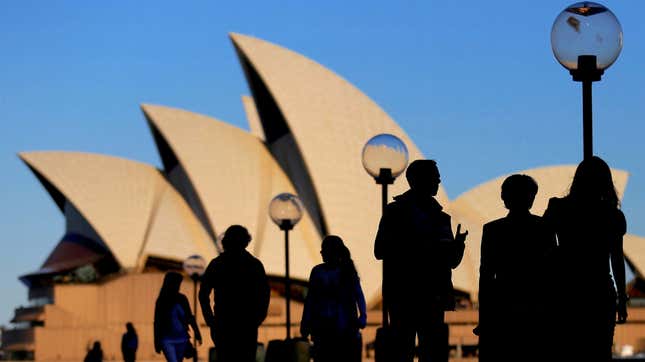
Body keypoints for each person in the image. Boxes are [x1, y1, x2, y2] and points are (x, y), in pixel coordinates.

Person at [374, 159, 468, 362]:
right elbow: (379, 250)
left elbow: (451, 261)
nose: (439, 180)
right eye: (435, 176)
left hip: (433, 297)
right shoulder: (395, 212)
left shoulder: (442, 218)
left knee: (432, 353)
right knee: (401, 352)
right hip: (403, 296)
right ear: (418, 180)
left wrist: (458, 244)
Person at [543, 156, 628, 361]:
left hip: (566, 291)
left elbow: (542, 243)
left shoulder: (558, 208)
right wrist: (622, 298)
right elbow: (616, 259)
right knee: (599, 351)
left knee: (567, 350)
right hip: (600, 291)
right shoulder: (613, 216)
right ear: (606, 182)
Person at [476, 174, 556, 361]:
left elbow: (486, 276)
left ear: (504, 197)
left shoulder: (493, 230)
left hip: (503, 310)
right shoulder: (544, 228)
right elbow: (553, 272)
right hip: (537, 309)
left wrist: (484, 317)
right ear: (532, 197)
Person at [199, 225, 270, 362]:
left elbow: (203, 294)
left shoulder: (217, 264)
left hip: (224, 323)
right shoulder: (254, 265)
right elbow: (264, 293)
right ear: (246, 241)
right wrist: (259, 317)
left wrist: (211, 320)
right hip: (246, 324)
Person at [301, 235, 367, 362]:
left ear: (332, 252)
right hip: (329, 329)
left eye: (323, 250)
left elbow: (310, 301)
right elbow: (310, 300)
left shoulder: (344, 272)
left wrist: (363, 315)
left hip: (339, 329)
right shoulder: (319, 271)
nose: (321, 253)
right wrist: (363, 315)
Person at [154, 271, 202, 362]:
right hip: (168, 339)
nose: (178, 286)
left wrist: (197, 332)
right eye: (177, 283)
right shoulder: (162, 301)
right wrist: (157, 341)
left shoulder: (181, 299)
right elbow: (157, 322)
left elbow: (189, 316)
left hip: (181, 338)